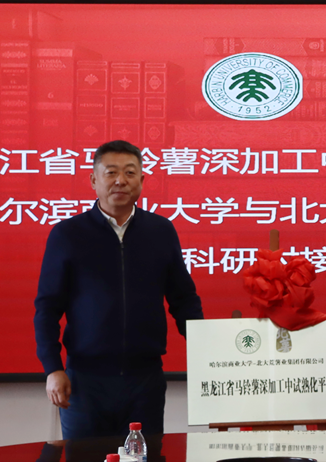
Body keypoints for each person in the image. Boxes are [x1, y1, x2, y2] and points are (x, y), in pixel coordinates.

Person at [34, 139, 203, 439]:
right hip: (84, 381)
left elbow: (184, 299)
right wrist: (52, 368)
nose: (120, 180)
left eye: (129, 172)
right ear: (93, 180)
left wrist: (207, 349)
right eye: (111, 172)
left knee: (145, 456)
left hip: (145, 380)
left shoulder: (161, 231)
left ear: (142, 180)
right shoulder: (68, 234)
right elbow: (47, 308)